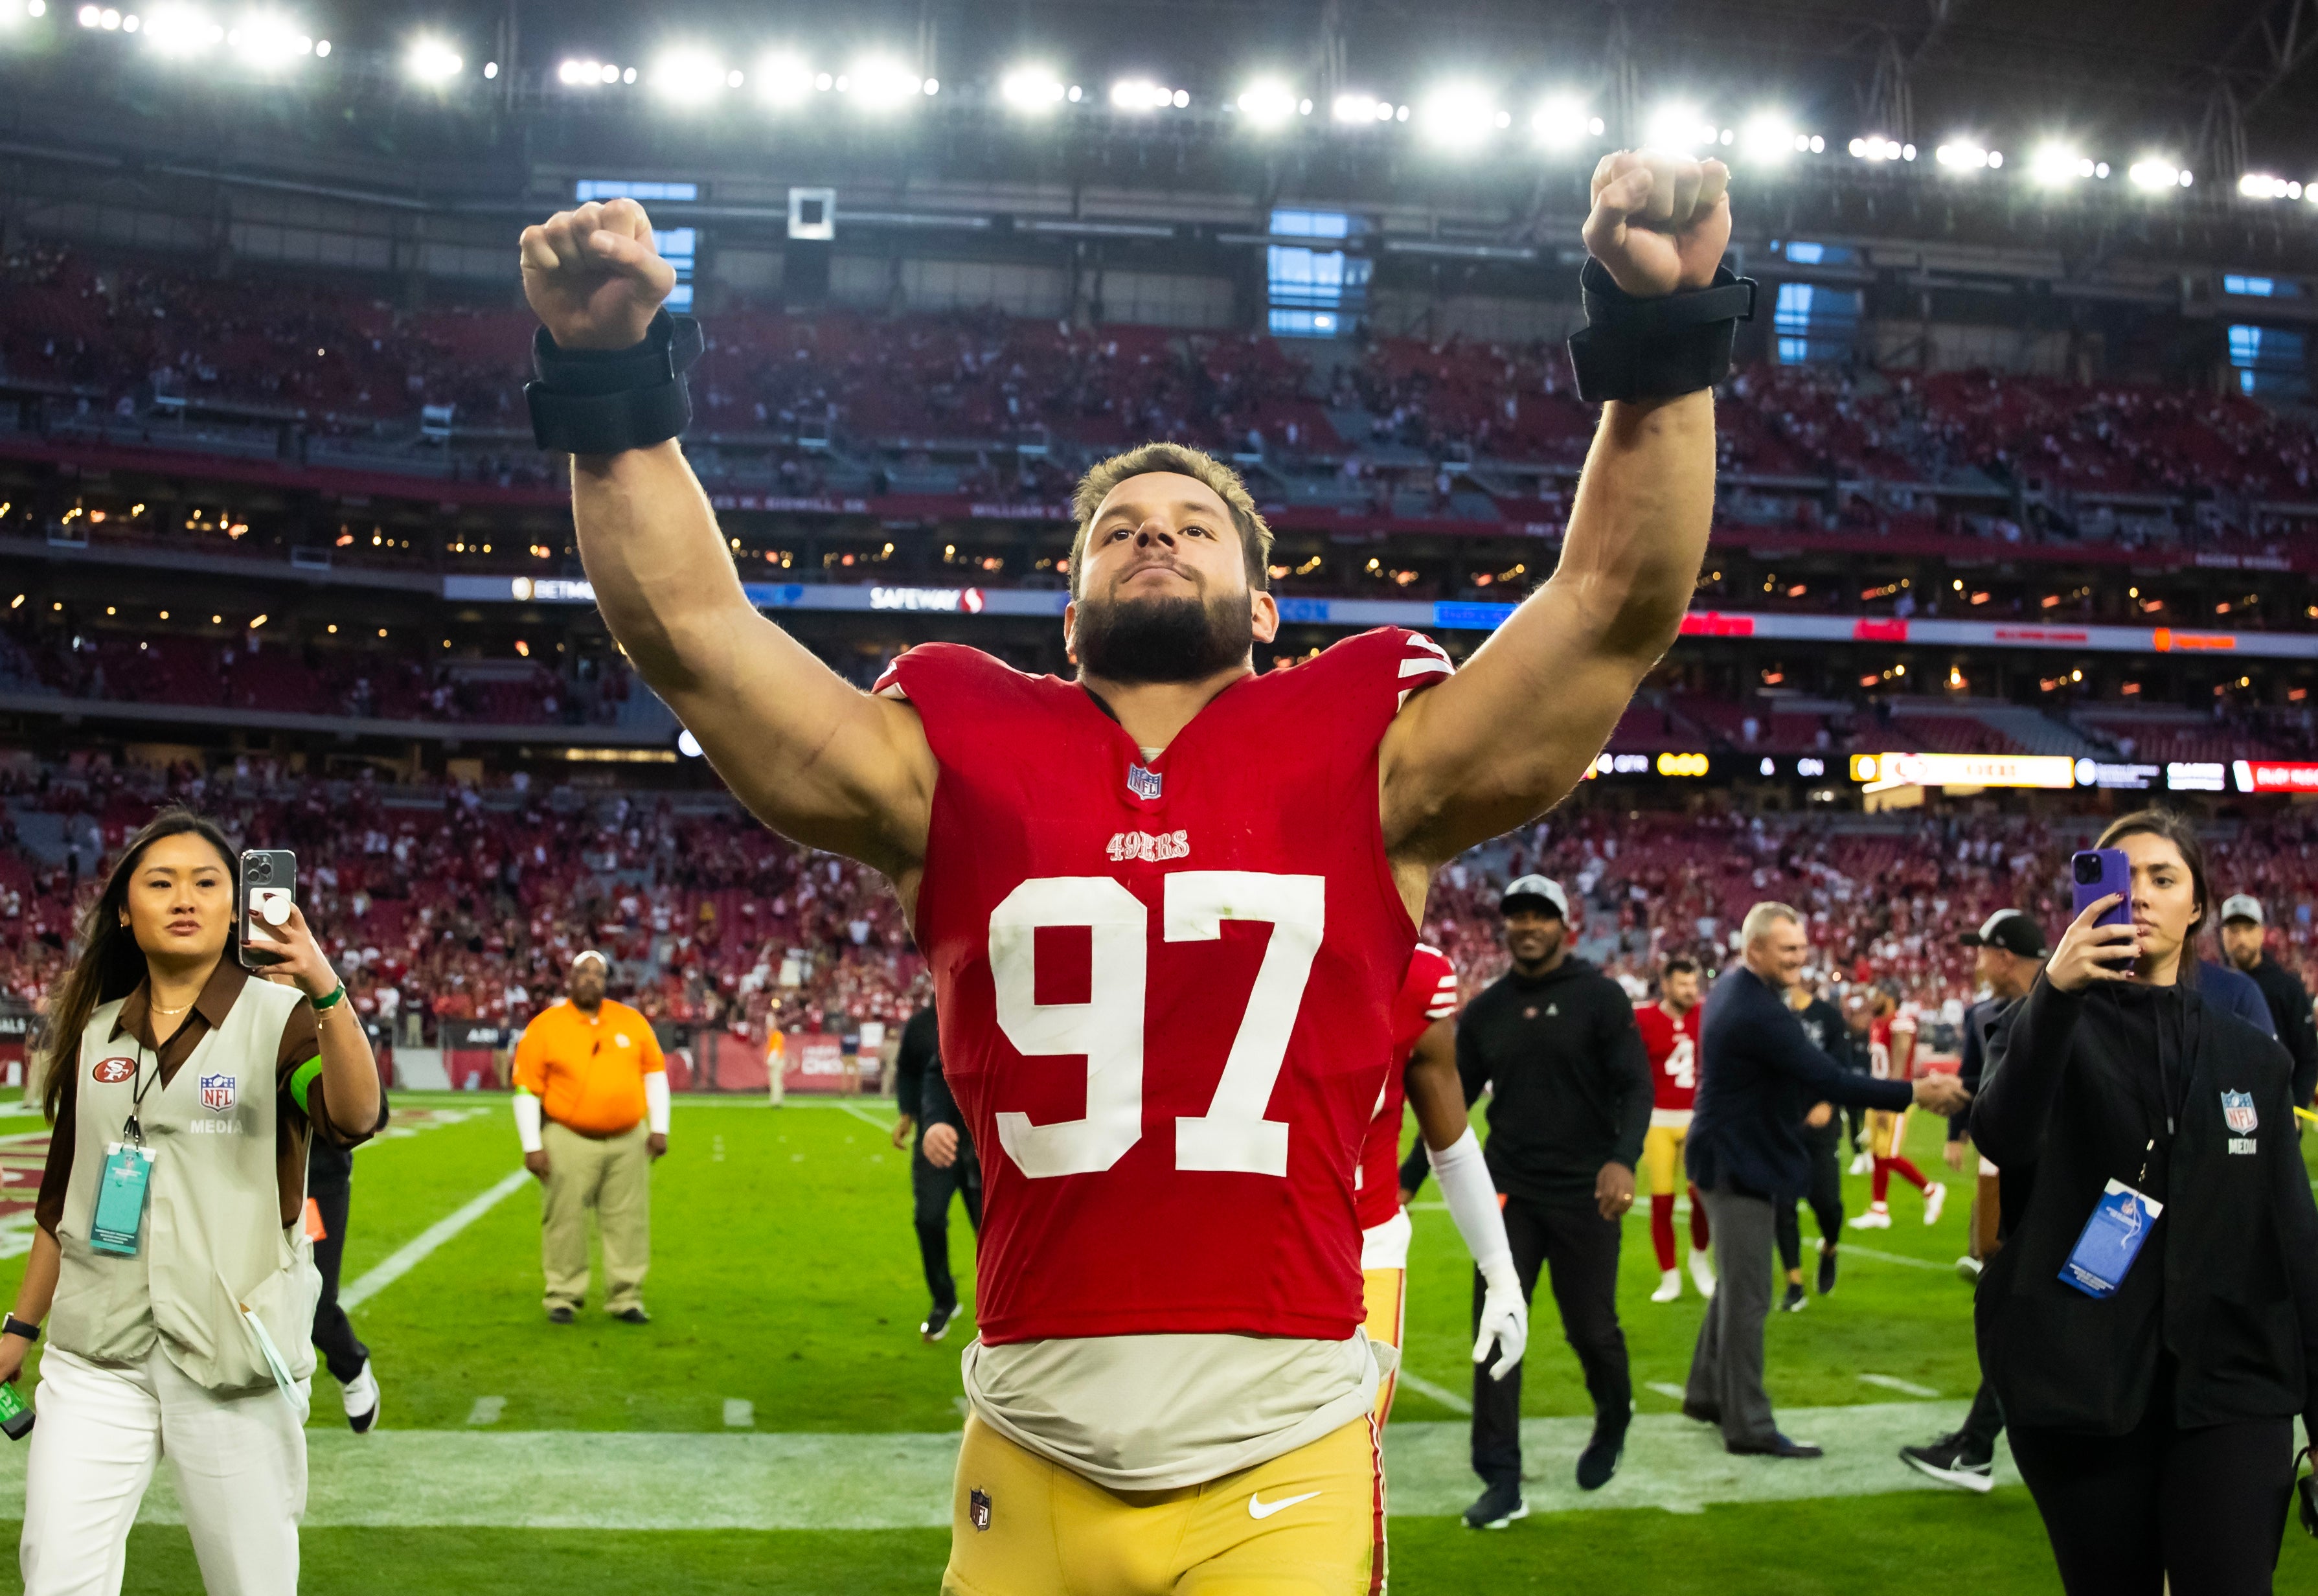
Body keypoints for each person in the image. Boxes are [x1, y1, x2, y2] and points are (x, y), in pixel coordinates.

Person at [518, 142, 1736, 1591]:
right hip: (1030, 1430)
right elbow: (694, 636)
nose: (1154, 530)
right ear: (1071, 615)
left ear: (1267, 604)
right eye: (1117, 529)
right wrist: (612, 388)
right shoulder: (955, 740)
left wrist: (1660, 341)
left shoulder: (1372, 741)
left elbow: (1608, 610)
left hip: (1278, 1439)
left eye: (1195, 523)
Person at [3, 810, 385, 1596]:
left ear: (234, 906)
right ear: (124, 910)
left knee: (253, 1585)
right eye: (161, 881)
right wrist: (19, 1329)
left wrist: (323, 984)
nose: (186, 896)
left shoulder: (283, 1022)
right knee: (56, 1575)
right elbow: (61, 1203)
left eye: (208, 882)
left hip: (232, 1357)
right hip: (95, 1355)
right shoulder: (98, 1034)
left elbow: (352, 1115)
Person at [1972, 809, 2318, 1595]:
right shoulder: (2042, 1024)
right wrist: (2056, 992)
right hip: (2080, 1382)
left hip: (2231, 1387)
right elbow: (2002, 1134)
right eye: (2122, 879)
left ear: (2198, 905)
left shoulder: (2253, 1058)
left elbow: (2296, 1241)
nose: (2143, 895)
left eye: (2165, 878)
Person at [1402, 876, 1649, 1518]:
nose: (1529, 926)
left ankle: (1615, 1414)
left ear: (1566, 926)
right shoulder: (1485, 1013)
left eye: (1542, 915)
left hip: (1585, 1193)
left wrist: (1623, 1160)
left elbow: (1637, 1087)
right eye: (1518, 916)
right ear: (1504, 927)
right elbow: (1444, 1103)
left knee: (1592, 1329)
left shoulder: (1601, 998)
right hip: (1509, 1192)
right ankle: (1501, 1478)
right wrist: (1407, 1179)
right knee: (1497, 1330)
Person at [1685, 902, 1970, 1458]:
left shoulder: (1738, 993)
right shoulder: (1757, 1008)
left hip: (1730, 1152)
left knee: (1734, 1286)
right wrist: (1916, 1092)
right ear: (1755, 949)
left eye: (1801, 947)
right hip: (1736, 1160)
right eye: (1787, 949)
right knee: (1748, 1299)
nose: (1799, 958)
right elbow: (1827, 1079)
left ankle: (1703, 1394)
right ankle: (1747, 1426)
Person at [1902, 907, 2046, 1493]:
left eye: (1982, 950)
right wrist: (1959, 1124)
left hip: (2056, 1188)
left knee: (2025, 1320)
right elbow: (1977, 1080)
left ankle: (1977, 1449)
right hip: (2011, 1179)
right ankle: (1977, 1447)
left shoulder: (2065, 1005)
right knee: (2020, 1318)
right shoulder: (1987, 1013)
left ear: (2004, 954)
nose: (1975, 961)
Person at [1363, 944, 1526, 1444]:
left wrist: (1501, 1274)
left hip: (1363, 1239)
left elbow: (1452, 1147)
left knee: (1348, 1456)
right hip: (1237, 1243)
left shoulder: (1412, 977)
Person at [510, 951, 670, 1325]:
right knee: (564, 1218)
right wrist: (532, 1145)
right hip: (569, 1135)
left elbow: (655, 1074)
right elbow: (526, 1090)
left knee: (628, 1219)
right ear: (570, 978)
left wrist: (660, 1126)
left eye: (598, 974)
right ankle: (563, 1294)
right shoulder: (546, 1026)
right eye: (583, 972)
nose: (591, 979)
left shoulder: (631, 1022)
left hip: (629, 1137)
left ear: (607, 981)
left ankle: (626, 1296)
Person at [895, 1003, 982, 1343]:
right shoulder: (922, 1025)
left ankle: (1000, 1311)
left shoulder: (993, 1005)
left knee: (992, 1231)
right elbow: (915, 1071)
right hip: (938, 1136)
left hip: (987, 1141)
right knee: (928, 1218)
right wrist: (917, 1117)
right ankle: (944, 1299)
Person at [1636, 957, 1714, 1303]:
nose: (1689, 991)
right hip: (1659, 1120)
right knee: (1662, 1201)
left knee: (1702, 1198)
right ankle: (1669, 1275)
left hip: (1697, 1118)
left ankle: (1699, 1258)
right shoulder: (1644, 1018)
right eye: (1682, 984)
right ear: (1665, 985)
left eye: (1693, 984)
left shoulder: (1706, 1016)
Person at [1775, 974, 1850, 1311]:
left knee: (1828, 1204)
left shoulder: (1828, 1017)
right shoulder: (1768, 1017)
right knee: (1783, 1205)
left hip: (1821, 1123)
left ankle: (1829, 1247)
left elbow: (1841, 1066)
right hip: (1781, 1123)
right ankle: (1794, 1283)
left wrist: (1828, 1102)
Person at [1851, 985, 1944, 1229]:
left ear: (1890, 997)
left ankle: (1931, 1190)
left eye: (1878, 994)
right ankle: (1879, 1209)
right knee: (1878, 1153)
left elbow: (1900, 1064)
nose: (1874, 999)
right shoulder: (1879, 1022)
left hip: (1894, 1096)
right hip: (1878, 1093)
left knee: (1888, 1154)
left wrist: (1888, 1100)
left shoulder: (1899, 1022)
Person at [305, 1126, 380, 1433]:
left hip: (314, 1185)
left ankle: (351, 1366)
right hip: (245, 1181)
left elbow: (373, 1114)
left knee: (313, 1301)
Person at [2219, 895, 2317, 1111]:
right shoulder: (2211, 985)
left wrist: (2297, 1110)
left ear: (2262, 933)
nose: (2241, 938)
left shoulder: (2287, 988)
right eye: (2234, 930)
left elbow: (2309, 1058)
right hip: (2224, 1110)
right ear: (2222, 935)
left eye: (2248, 928)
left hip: (2276, 1112)